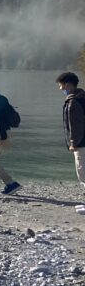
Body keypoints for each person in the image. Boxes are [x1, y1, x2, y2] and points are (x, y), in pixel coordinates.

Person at [57, 71, 85, 214]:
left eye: (61, 85)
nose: (60, 89)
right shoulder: (82, 97)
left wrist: (74, 142)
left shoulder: (73, 101)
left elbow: (76, 125)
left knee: (83, 172)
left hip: (82, 143)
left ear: (67, 84)